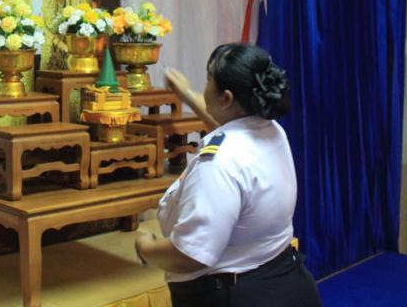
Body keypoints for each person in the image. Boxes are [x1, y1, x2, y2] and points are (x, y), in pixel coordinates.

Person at [135, 43, 322, 307]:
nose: (204, 87)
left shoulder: (218, 164)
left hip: (236, 296)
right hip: (287, 282)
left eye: (208, 80)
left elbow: (190, 255)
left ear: (226, 98)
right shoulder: (271, 130)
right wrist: (186, 93)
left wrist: (145, 246)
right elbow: (228, 127)